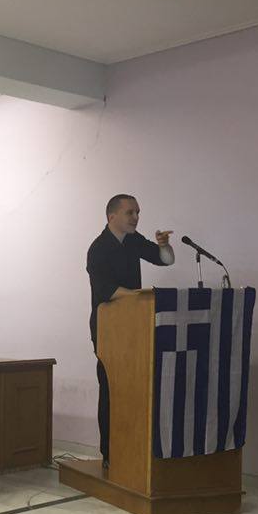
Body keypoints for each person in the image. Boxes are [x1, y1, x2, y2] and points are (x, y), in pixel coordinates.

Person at [86, 194, 174, 467]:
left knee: (134, 389)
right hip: (108, 328)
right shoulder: (98, 248)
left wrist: (164, 246)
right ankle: (109, 453)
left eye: (137, 212)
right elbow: (105, 290)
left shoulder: (134, 241)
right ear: (112, 216)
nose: (136, 217)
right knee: (111, 389)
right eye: (130, 213)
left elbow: (165, 260)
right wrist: (139, 297)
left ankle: (132, 449)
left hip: (134, 326)